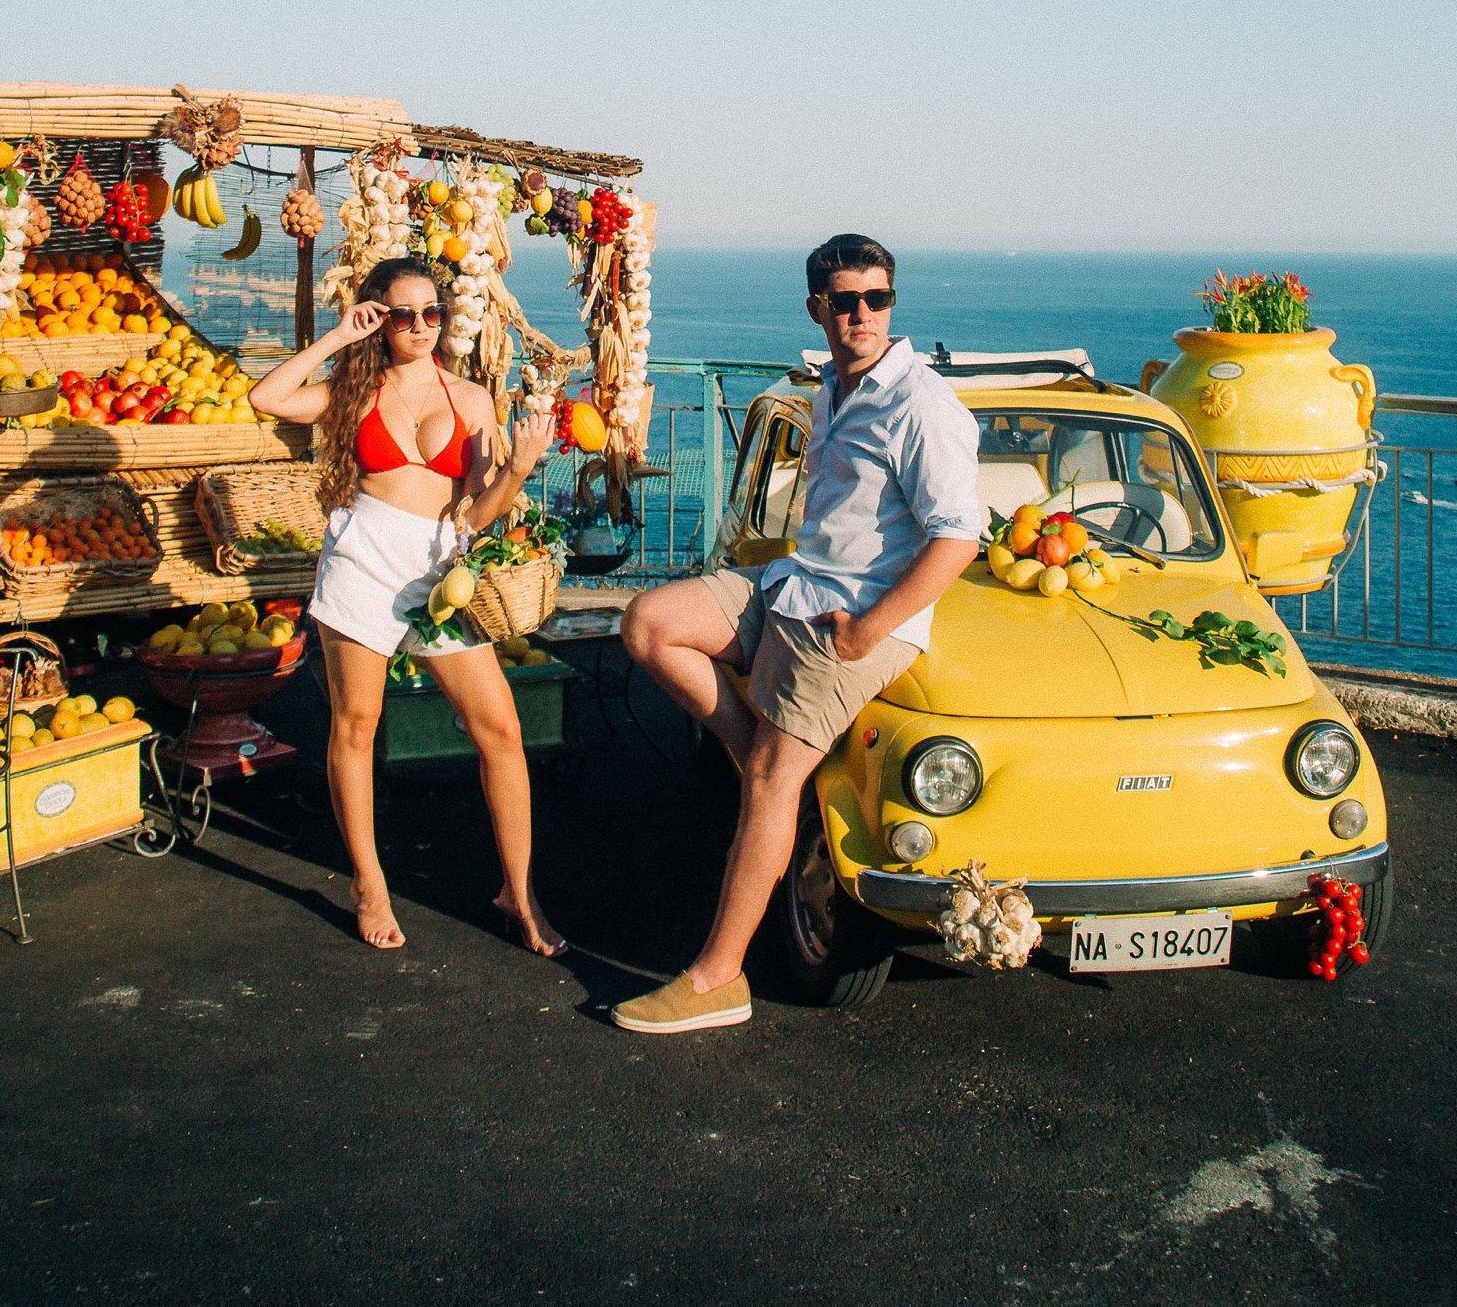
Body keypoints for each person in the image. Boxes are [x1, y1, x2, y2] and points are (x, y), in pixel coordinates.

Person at [613, 233, 980, 1033]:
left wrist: (865, 633)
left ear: (892, 301)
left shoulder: (920, 403)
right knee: (648, 624)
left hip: (850, 619)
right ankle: (771, 770)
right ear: (817, 307)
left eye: (876, 298)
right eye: (844, 300)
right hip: (794, 585)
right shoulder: (831, 387)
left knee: (770, 785)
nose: (861, 314)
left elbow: (958, 536)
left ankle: (717, 978)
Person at [249, 257, 564, 956]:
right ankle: (370, 883)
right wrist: (336, 337)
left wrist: (517, 467)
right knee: (356, 726)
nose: (422, 326)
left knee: (501, 732)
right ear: (380, 318)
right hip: (363, 559)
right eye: (404, 313)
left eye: (432, 312)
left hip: (442, 569)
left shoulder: (474, 398)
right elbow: (266, 398)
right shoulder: (352, 390)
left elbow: (480, 512)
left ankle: (519, 888)